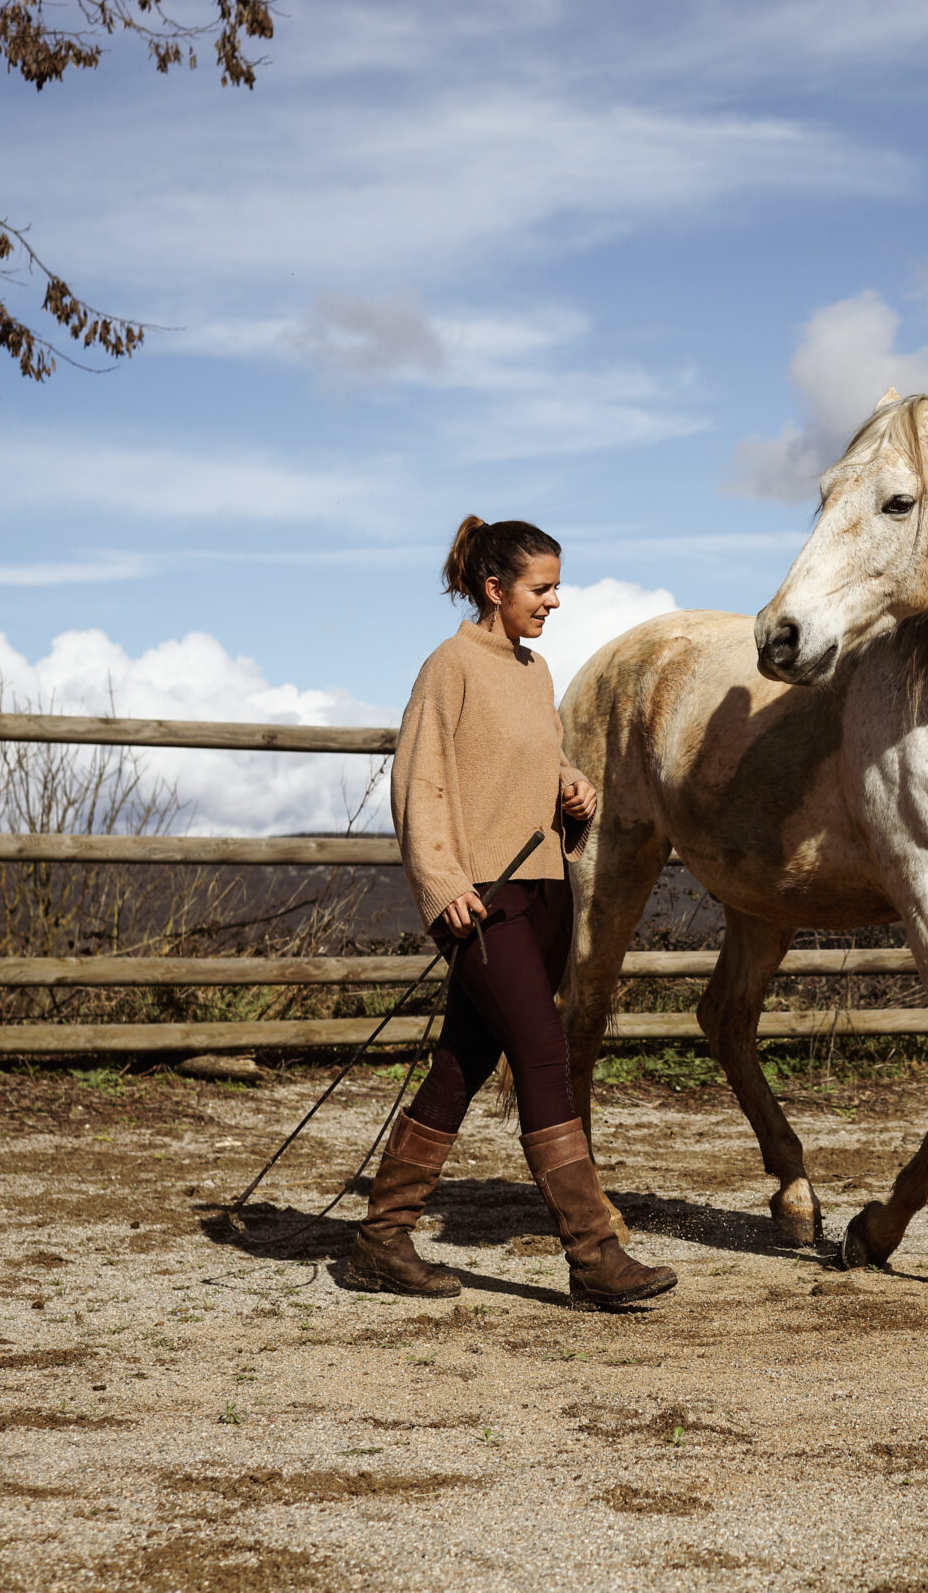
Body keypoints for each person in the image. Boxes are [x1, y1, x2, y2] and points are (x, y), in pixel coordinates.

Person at [350, 516, 678, 1309]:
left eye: (557, 585)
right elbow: (419, 784)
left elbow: (530, 760)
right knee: (542, 1055)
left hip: (541, 894)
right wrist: (441, 883)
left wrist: (573, 787)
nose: (555, 600)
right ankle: (594, 1249)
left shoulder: (535, 671)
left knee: (462, 1063)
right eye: (542, 587)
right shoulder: (449, 668)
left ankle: (381, 1234)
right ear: (495, 589)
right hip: (481, 902)